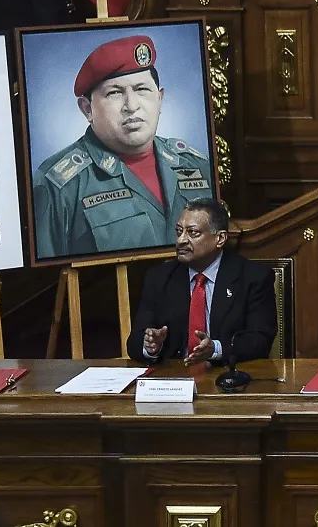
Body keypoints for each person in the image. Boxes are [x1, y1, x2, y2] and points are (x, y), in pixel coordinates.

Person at [31, 33, 213, 259]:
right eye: (115, 92)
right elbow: (46, 283)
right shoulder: (58, 185)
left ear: (160, 99)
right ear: (87, 109)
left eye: (142, 90)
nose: (132, 105)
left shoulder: (196, 163)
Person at [127, 198, 277, 366]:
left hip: (228, 377)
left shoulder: (253, 277)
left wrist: (216, 349)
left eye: (193, 233)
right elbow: (134, 342)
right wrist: (151, 346)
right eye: (178, 232)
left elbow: (260, 340)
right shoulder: (159, 277)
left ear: (220, 238)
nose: (181, 240)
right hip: (174, 379)